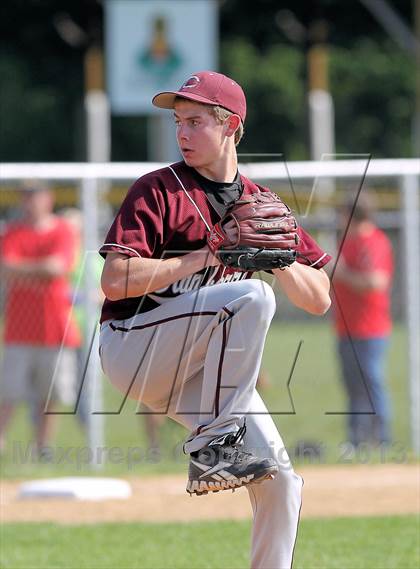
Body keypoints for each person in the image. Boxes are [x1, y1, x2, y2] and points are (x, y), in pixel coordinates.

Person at [98, 71, 331, 569]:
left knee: (282, 482)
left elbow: (319, 301)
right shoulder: (158, 190)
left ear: (231, 125)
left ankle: (220, 446)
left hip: (202, 375)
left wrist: (283, 258)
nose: (181, 133)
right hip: (134, 347)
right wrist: (204, 257)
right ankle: (216, 444)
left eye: (195, 121)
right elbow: (114, 279)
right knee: (250, 296)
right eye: (178, 122)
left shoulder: (261, 204)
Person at [0, 182, 81, 458]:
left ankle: (42, 449)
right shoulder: (13, 232)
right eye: (25, 196)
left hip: (55, 328)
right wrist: (40, 269)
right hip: (19, 330)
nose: (29, 202)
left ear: (48, 198)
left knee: (51, 397)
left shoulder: (62, 230)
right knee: (7, 394)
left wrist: (24, 269)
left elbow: (58, 267)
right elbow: (6, 268)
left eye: (35, 196)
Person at [333, 195, 394, 448]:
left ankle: (382, 441)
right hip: (345, 327)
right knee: (352, 386)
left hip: (370, 329)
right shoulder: (348, 241)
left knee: (372, 383)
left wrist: (340, 272)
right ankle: (356, 441)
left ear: (351, 214)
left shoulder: (374, 241)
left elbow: (375, 282)